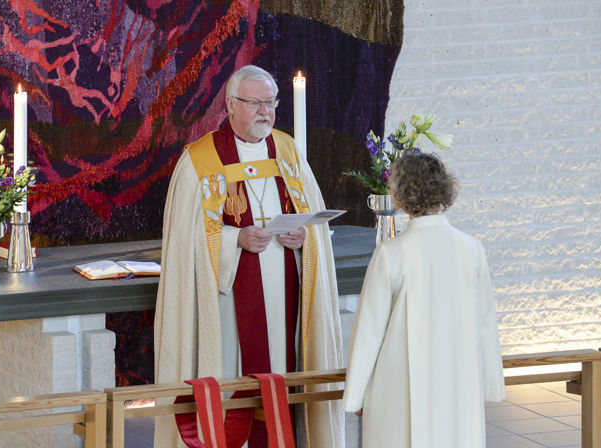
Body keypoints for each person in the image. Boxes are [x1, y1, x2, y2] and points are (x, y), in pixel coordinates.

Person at [154, 65, 344, 448]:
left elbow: (315, 226)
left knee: (283, 370)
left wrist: (302, 235)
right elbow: (184, 241)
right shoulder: (200, 160)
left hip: (285, 296)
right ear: (230, 104)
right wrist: (234, 239)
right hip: (228, 301)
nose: (265, 112)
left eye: (271, 103)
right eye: (255, 103)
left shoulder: (288, 151)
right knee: (233, 378)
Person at [342, 152, 506, 447]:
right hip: (459, 380)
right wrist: (490, 383)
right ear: (445, 191)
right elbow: (485, 323)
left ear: (401, 196)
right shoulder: (471, 249)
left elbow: (369, 331)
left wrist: (355, 394)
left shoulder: (391, 254)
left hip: (399, 386)